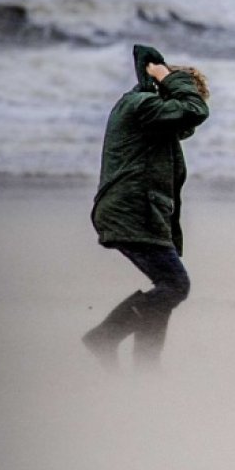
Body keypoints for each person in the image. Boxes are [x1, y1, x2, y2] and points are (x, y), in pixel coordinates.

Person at [83, 44, 209, 371]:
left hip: (140, 213)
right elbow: (194, 110)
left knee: (164, 291)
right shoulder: (143, 105)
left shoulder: (153, 119)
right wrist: (167, 76)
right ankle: (105, 337)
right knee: (175, 285)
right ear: (170, 89)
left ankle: (146, 367)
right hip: (130, 212)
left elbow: (188, 114)